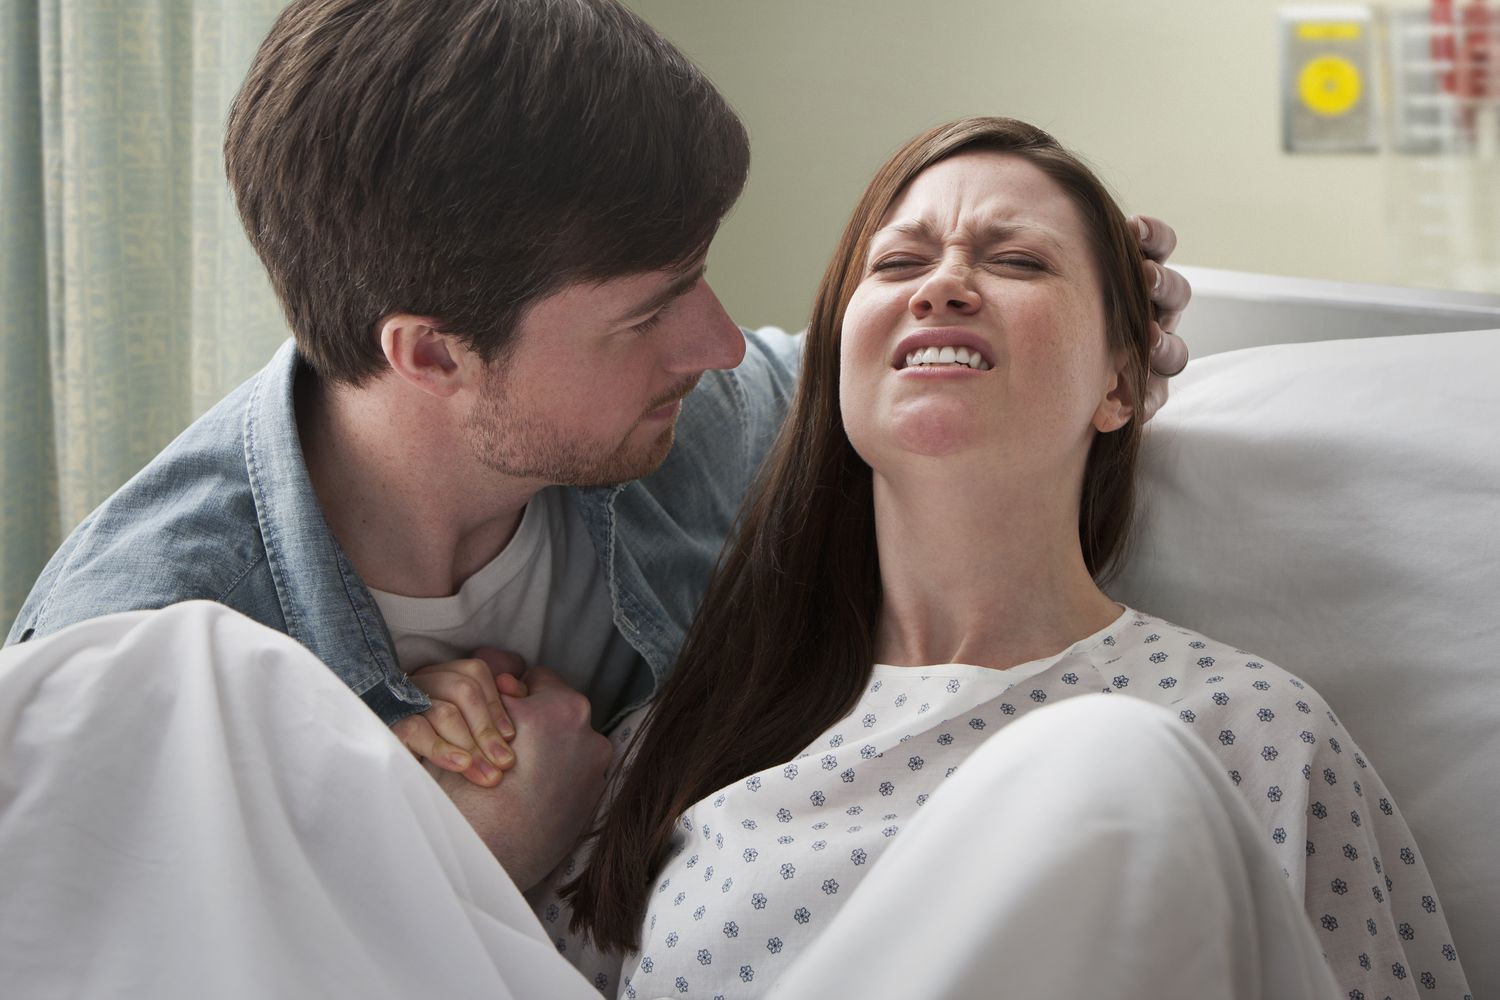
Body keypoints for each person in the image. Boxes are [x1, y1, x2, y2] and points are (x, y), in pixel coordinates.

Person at [2, 0, 1193, 889]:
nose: (721, 344)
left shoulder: (702, 421)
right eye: (650, 309)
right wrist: (473, 866)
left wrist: (1092, 321)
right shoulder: (138, 675)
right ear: (430, 353)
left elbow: (881, 385)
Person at [533, 118, 1473, 999]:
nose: (941, 286)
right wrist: (496, 842)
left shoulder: (1250, 730)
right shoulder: (678, 739)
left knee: (1114, 762)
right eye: (899, 262)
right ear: (838, 368)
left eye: (1017, 260)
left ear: (1121, 380)